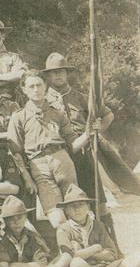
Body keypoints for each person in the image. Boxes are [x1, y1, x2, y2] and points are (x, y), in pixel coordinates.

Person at [42, 52, 119, 245]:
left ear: (67, 73)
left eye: (61, 72)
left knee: (97, 203)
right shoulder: (43, 100)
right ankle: (74, 249)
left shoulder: (82, 98)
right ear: (48, 77)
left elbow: (108, 115)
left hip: (83, 156)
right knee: (67, 206)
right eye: (53, 73)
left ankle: (112, 248)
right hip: (59, 157)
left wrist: (95, 133)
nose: (57, 76)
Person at [7, 69, 89, 228]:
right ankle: (68, 249)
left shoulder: (58, 112)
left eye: (39, 85)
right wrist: (27, 177)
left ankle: (80, 249)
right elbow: (16, 152)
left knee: (76, 209)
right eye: (31, 86)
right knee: (57, 218)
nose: (36, 89)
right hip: (38, 166)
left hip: (62, 159)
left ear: (45, 86)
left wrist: (88, 134)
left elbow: (72, 144)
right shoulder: (19, 117)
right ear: (24, 89)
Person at [57, 185, 140, 267]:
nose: (77, 209)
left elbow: (111, 254)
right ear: (66, 211)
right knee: (76, 264)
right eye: (72, 206)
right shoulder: (63, 229)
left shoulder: (98, 226)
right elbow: (71, 256)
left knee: (137, 257)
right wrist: (96, 248)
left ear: (88, 207)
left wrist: (86, 254)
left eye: (81, 205)